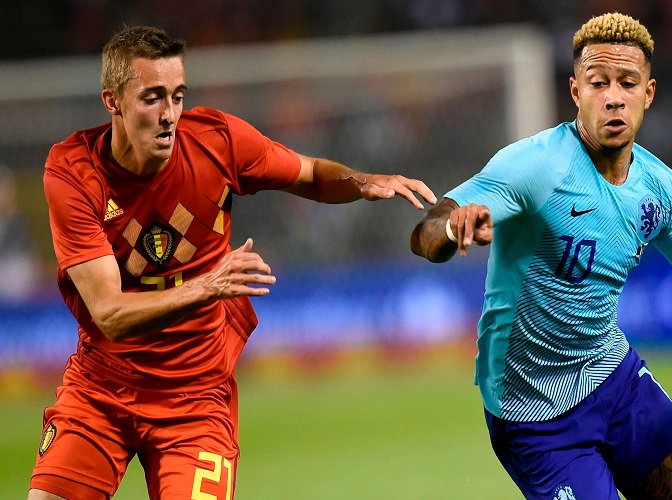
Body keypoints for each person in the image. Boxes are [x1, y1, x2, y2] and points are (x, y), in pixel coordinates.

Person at [29, 26, 436, 500]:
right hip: (102, 390)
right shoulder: (73, 172)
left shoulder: (217, 141)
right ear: (112, 101)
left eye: (178, 96)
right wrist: (209, 285)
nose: (169, 115)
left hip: (196, 401)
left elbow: (309, 173)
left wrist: (362, 181)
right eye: (152, 98)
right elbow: (110, 314)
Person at [411, 12, 672, 499]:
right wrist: (455, 226)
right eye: (599, 83)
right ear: (576, 91)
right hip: (531, 410)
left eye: (627, 83)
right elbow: (426, 233)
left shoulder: (664, 191)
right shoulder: (535, 166)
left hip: (612, 375)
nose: (614, 97)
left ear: (648, 93)